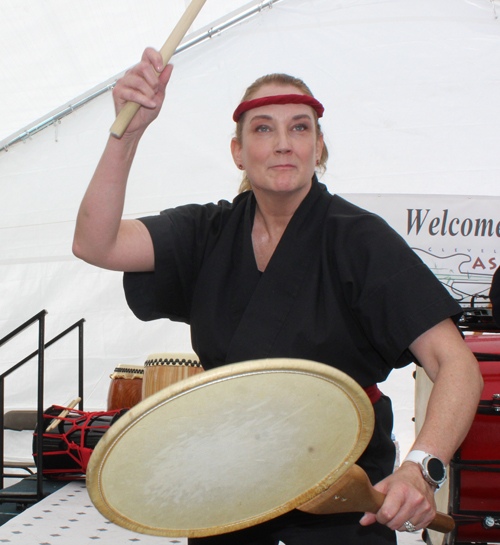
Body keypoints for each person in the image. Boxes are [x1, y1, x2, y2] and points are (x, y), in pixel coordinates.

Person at [73, 48, 483, 545]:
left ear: (319, 148)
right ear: (238, 152)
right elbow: (96, 243)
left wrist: (421, 466)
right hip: (226, 486)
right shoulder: (208, 231)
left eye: (300, 127)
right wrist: (128, 133)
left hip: (339, 491)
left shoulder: (360, 240)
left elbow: (455, 364)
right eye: (263, 128)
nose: (284, 143)